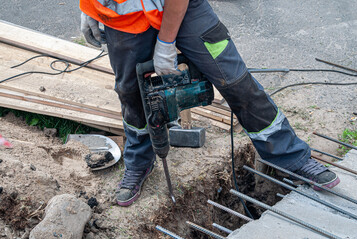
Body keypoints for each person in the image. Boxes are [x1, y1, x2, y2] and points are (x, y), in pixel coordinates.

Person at [79, 0, 340, 207]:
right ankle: (139, 162)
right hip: (124, 21)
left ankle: (289, 155)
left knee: (235, 80)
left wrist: (166, 42)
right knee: (131, 93)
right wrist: (89, 7)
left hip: (185, 8)